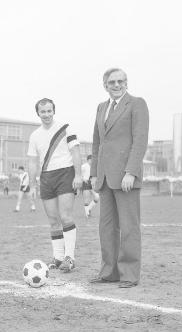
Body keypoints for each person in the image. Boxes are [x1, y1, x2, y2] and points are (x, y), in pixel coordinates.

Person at [89, 68, 149, 289]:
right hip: (105, 178)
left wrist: (131, 172)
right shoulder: (101, 108)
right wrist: (94, 173)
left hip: (126, 178)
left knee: (129, 227)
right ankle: (109, 272)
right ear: (105, 85)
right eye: (112, 82)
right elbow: (97, 144)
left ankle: (129, 275)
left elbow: (140, 140)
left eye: (121, 81)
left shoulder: (137, 104)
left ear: (126, 83)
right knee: (106, 227)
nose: (117, 85)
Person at [27, 98, 83, 272]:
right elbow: (32, 162)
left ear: (54, 111)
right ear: (38, 113)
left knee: (65, 216)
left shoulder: (65, 128)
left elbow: (75, 152)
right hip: (46, 177)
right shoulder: (34, 136)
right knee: (53, 220)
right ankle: (58, 257)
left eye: (49, 111)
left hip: (66, 173)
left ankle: (70, 257)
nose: (46, 114)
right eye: (43, 112)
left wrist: (79, 175)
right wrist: (32, 185)